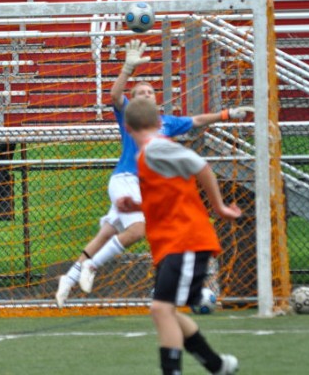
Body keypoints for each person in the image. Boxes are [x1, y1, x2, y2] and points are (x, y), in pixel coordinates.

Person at [55, 40, 249, 307]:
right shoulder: (130, 115)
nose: (146, 94)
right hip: (126, 179)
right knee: (138, 229)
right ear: (133, 101)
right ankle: (92, 266)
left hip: (143, 186)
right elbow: (114, 96)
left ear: (157, 99)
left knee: (107, 233)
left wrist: (225, 114)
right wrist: (127, 69)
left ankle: (69, 278)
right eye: (140, 92)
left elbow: (197, 120)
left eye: (150, 91)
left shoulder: (166, 122)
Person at [118, 96, 241, 374]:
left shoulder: (155, 148)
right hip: (172, 245)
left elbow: (201, 166)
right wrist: (136, 206)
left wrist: (219, 207)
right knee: (165, 310)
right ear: (158, 121)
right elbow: (167, 199)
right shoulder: (148, 154)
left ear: (127, 128)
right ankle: (217, 365)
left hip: (186, 241)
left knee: (161, 310)